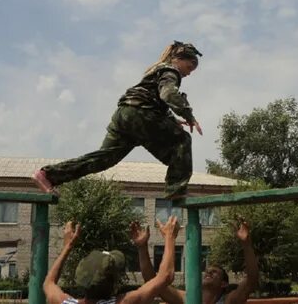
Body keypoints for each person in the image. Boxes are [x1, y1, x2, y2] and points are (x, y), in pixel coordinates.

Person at [32, 41, 203, 198]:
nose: (188, 73)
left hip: (124, 115)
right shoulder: (170, 70)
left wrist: (172, 121)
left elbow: (156, 99)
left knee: (104, 159)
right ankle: (176, 190)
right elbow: (168, 93)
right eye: (189, 67)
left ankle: (47, 175)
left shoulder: (157, 70)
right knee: (182, 140)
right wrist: (188, 115)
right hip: (140, 114)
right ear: (178, 59)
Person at [43, 216, 180, 304]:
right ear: (114, 283)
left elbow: (49, 283)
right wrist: (169, 238)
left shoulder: (64, 302)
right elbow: (166, 276)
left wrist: (68, 246)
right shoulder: (124, 302)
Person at [131, 219, 259, 304]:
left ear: (224, 284)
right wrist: (142, 247)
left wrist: (246, 244)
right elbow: (152, 280)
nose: (208, 272)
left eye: (214, 273)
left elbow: (251, 280)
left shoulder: (228, 301)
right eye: (207, 271)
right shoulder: (187, 299)